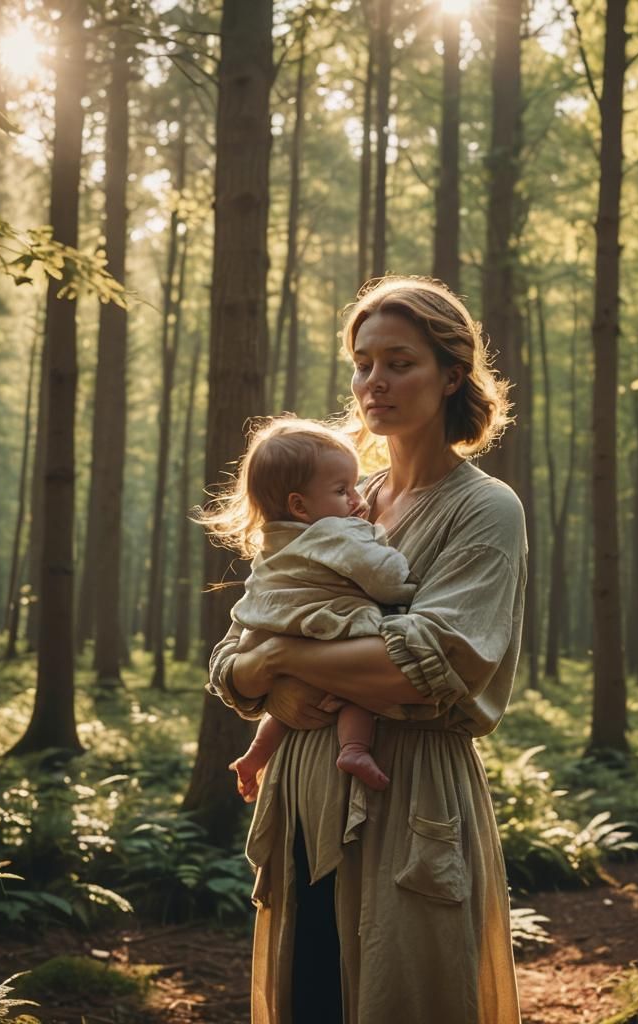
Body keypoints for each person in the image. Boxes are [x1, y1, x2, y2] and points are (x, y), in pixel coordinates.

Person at [208, 276, 527, 1024]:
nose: (374, 382)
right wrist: (264, 671)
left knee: (400, 994)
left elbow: (430, 662)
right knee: (311, 993)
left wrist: (282, 664)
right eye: (363, 362)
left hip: (408, 790)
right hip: (303, 796)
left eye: (399, 362)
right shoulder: (341, 495)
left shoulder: (485, 509)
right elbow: (234, 650)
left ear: (452, 375)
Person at [199, 417, 416, 798]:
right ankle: (354, 748)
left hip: (265, 630)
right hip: (322, 627)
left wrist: (273, 658)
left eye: (354, 486)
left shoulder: (270, 544)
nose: (358, 501)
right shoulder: (335, 530)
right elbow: (384, 577)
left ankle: (255, 753)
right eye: (343, 490)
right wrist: (405, 578)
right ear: (299, 505)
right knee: (351, 686)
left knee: (291, 702)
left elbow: (236, 647)